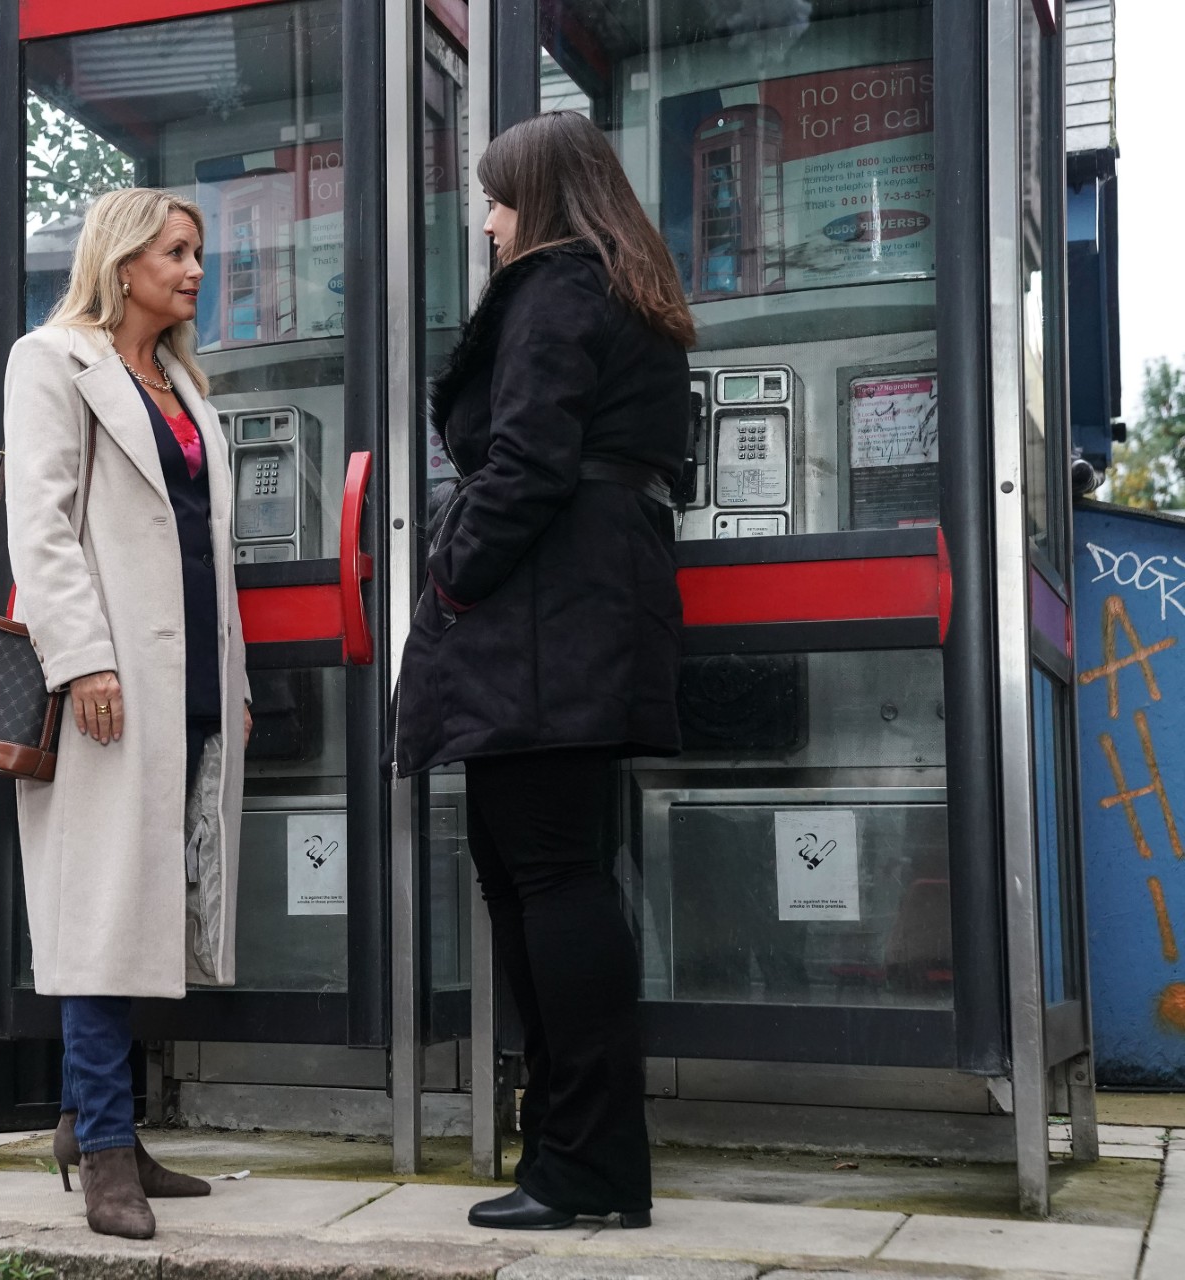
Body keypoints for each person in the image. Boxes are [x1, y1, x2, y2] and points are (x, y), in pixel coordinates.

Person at [394, 111, 695, 1232]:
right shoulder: (628, 288)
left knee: (548, 872)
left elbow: (524, 461)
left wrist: (455, 581)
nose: (486, 220)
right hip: (588, 607)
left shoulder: (558, 288)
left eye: (499, 198)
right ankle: (575, 1154)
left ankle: (586, 1167)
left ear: (544, 200)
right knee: (539, 870)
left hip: (541, 615)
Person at [2, 187, 253, 1241]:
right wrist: (83, 658)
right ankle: (105, 1149)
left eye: (199, 252)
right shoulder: (52, 358)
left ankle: (98, 1120)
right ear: (124, 257)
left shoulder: (184, 385)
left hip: (189, 676)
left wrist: (232, 681)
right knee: (104, 911)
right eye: (178, 250)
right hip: (106, 678)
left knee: (152, 905)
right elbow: (42, 524)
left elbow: (207, 546)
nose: (195, 269)